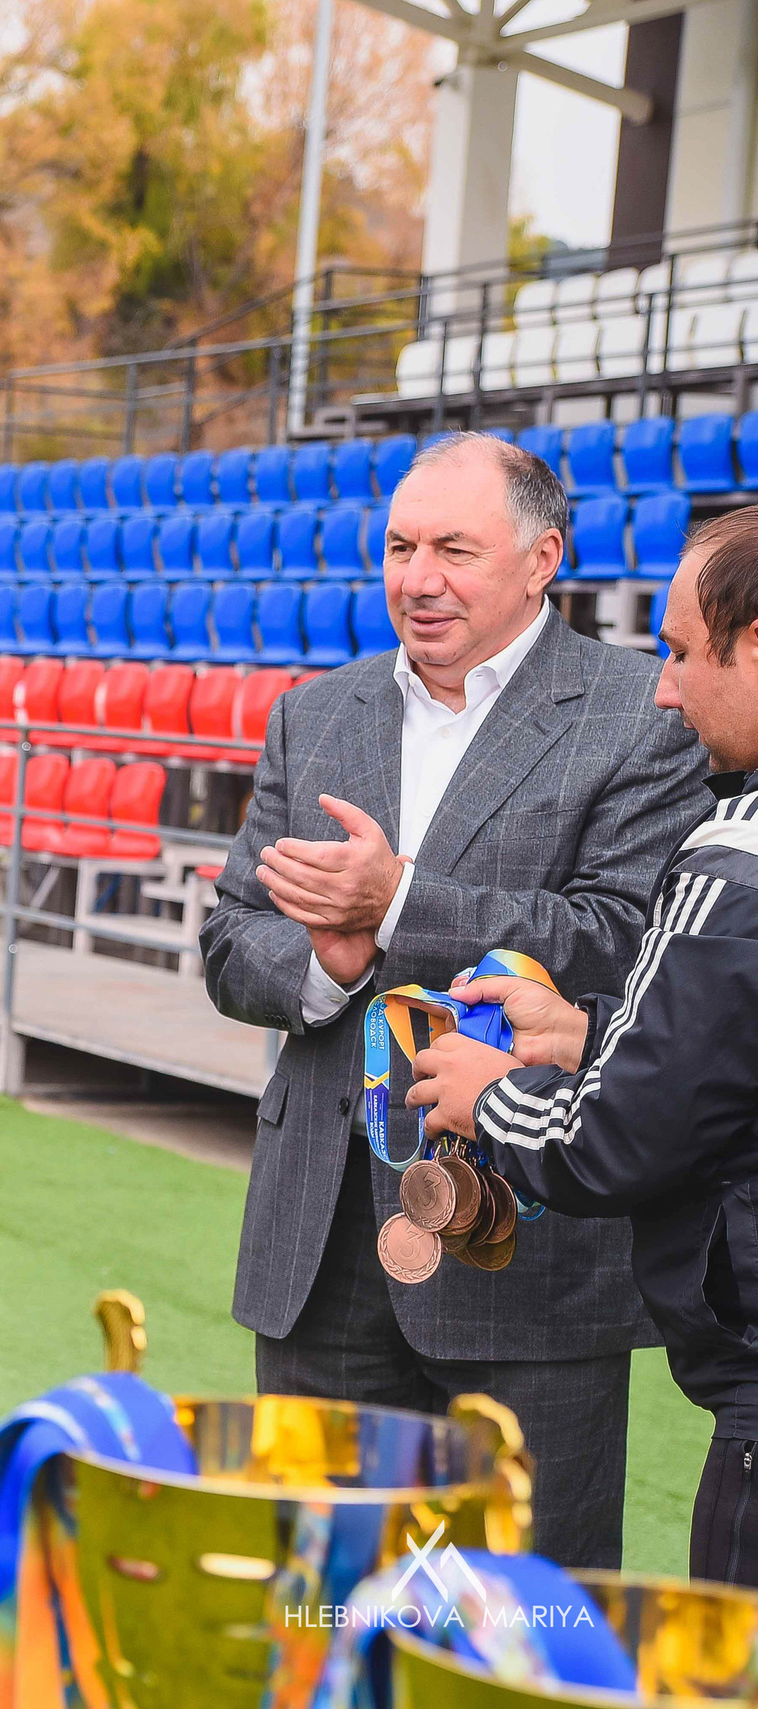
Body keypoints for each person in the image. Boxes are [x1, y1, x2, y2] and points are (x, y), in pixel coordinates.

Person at [199, 431, 709, 1567]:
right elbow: (232, 941)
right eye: (398, 545)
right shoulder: (316, 713)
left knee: (522, 1622)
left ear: (542, 559)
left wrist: (398, 903)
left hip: (522, 1242)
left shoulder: (640, 712)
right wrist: (328, 963)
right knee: (316, 1609)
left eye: (452, 549)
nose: (416, 575)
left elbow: (625, 943)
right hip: (316, 1244)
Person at [405, 507, 758, 1585]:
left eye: (687, 652)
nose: (665, 686)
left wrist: (492, 1089)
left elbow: (618, 1140)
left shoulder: (732, 856)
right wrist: (595, 1029)